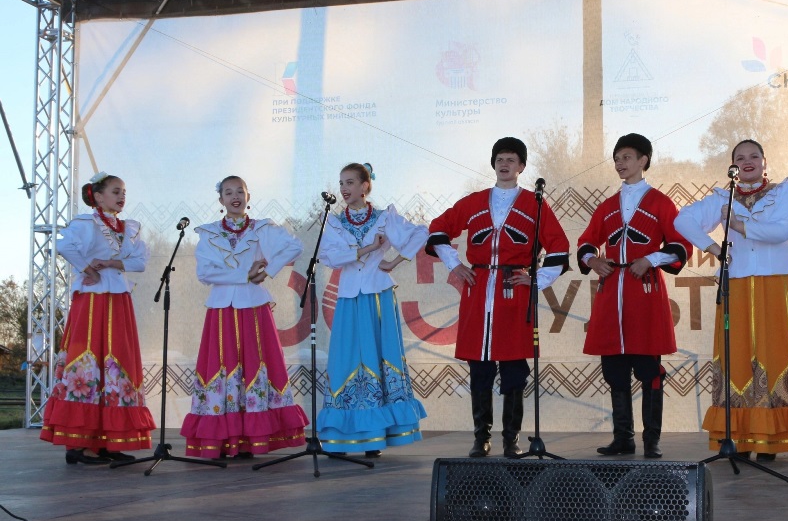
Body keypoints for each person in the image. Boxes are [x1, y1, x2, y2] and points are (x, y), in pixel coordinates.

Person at [675, 139, 788, 460]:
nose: (747, 161)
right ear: (732, 165)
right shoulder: (723, 197)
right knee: (738, 356)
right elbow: (682, 220)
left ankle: (773, 438)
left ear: (764, 161)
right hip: (738, 283)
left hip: (778, 282)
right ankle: (741, 437)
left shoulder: (783, 192)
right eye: (740, 157)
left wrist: (739, 225)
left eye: (754, 156)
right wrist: (714, 248)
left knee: (777, 353)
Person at [426, 137, 570, 458]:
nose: (505, 164)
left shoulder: (535, 203)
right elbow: (438, 229)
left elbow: (559, 246)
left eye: (511, 160)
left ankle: (511, 438)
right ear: (494, 164)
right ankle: (481, 438)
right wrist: (454, 264)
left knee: (514, 366)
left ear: (522, 167)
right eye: (500, 159)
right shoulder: (474, 201)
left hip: (513, 292)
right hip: (478, 291)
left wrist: (537, 278)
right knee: (480, 367)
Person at [577, 134, 692, 458]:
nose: (620, 163)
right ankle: (623, 438)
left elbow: (680, 245)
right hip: (611, 294)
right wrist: (594, 261)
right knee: (614, 370)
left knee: (649, 370)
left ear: (643, 160)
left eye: (626, 157)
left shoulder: (660, 203)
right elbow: (586, 242)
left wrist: (650, 260)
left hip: (645, 294)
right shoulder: (606, 207)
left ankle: (651, 441)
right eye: (616, 158)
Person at [180, 176, 308, 459]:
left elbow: (294, 246)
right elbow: (205, 273)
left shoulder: (262, 228)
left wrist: (267, 271)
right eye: (229, 192)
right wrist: (245, 274)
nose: (235, 196)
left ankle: (251, 438)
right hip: (222, 309)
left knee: (254, 364)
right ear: (221, 200)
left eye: (240, 191)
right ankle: (225, 438)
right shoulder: (210, 233)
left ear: (248, 196)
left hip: (253, 305)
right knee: (222, 365)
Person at [40, 172, 156, 464]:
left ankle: (105, 441)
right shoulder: (86, 223)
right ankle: (80, 444)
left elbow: (140, 261)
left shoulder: (128, 228)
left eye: (124, 192)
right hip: (93, 300)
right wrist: (88, 269)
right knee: (88, 361)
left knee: (115, 362)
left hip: (118, 297)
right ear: (99, 196)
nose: (121, 196)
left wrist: (109, 262)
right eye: (116, 191)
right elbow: (64, 246)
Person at [316, 163, 428, 457]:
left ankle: (376, 436)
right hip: (349, 297)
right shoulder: (334, 223)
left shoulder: (383, 217)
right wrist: (366, 249)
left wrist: (394, 261)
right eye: (341, 183)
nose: (344, 188)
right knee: (345, 359)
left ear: (365, 186)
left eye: (350, 182)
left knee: (380, 358)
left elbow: (420, 233)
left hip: (378, 295)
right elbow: (329, 257)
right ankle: (340, 436)